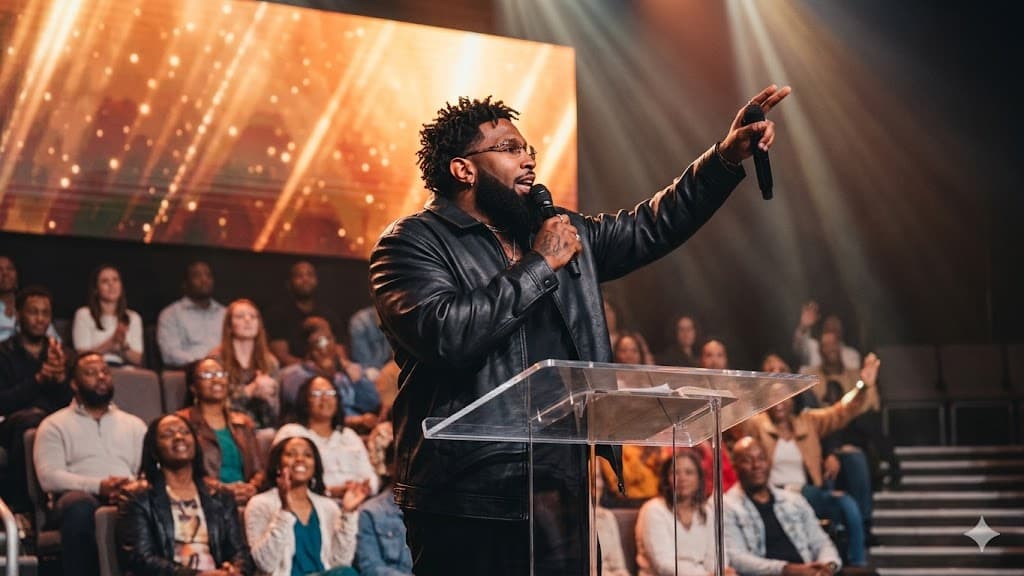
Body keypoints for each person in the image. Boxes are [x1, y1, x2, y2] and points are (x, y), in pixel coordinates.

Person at [368, 87, 791, 575]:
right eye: (509, 148)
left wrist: (722, 159)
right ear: (463, 169)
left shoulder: (559, 231)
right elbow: (444, 334)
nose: (528, 159)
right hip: (466, 495)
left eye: (529, 149)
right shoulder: (411, 243)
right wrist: (541, 263)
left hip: (559, 489)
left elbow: (652, 225)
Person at [33, 352, 147, 575]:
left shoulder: (135, 425)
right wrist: (99, 486)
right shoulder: (54, 424)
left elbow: (145, 471)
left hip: (127, 495)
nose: (101, 377)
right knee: (80, 506)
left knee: (149, 502)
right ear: (74, 384)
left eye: (105, 371)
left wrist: (129, 488)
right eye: (91, 373)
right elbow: (49, 477)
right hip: (78, 498)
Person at [116, 413, 253, 575]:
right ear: (154, 450)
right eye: (168, 434)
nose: (179, 437)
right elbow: (140, 558)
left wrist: (235, 570)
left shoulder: (220, 495)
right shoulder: (138, 497)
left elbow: (240, 551)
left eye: (185, 432)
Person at [244, 436, 366, 576]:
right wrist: (284, 511)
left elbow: (341, 562)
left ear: (315, 466)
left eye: (307, 455)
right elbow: (265, 564)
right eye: (291, 454)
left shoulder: (328, 507)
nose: (300, 459)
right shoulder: (260, 504)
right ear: (278, 465)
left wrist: (348, 514)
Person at [0, 285, 73, 514]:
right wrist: (40, 379)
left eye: (45, 313)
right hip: (11, 424)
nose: (40, 319)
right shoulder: (3, 353)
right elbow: (3, 402)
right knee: (31, 423)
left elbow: (73, 403)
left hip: (57, 422)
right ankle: (23, 509)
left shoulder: (63, 354)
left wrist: (61, 378)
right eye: (33, 312)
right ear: (19, 314)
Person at [723, 437, 842, 576]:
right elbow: (738, 559)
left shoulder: (794, 500)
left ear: (769, 462)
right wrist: (789, 570)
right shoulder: (726, 506)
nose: (756, 465)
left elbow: (821, 542)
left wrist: (828, 566)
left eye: (761, 459)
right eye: (747, 460)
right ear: (735, 466)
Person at [274, 375, 379, 500]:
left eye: (330, 392)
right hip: (312, 502)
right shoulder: (291, 433)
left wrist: (363, 488)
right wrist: (328, 491)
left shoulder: (348, 435)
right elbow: (280, 477)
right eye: (317, 393)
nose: (325, 398)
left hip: (357, 501)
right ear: (305, 400)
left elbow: (371, 477)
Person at [178, 357, 265, 505]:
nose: (216, 380)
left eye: (220, 374)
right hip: (206, 500)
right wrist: (222, 489)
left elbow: (259, 470)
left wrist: (252, 487)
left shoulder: (243, 423)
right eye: (207, 376)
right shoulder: (182, 422)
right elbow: (181, 472)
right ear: (193, 387)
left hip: (246, 500)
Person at [636, 449, 737, 576]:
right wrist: (705, 575)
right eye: (675, 472)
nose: (682, 478)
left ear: (699, 479)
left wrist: (719, 571)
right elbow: (663, 564)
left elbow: (716, 556)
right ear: (666, 479)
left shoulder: (707, 511)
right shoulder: (653, 509)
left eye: (689, 473)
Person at [279, 317, 381, 434]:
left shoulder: (346, 373)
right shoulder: (295, 376)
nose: (324, 347)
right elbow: (308, 413)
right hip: (317, 432)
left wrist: (358, 381)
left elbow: (373, 404)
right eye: (318, 341)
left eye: (328, 338)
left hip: (356, 432)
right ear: (308, 346)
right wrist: (356, 420)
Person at [209, 299, 281, 428]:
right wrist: (250, 390)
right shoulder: (216, 360)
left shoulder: (270, 362)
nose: (248, 320)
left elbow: (276, 412)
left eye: (253, 316)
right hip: (228, 425)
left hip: (262, 428)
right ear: (229, 326)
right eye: (240, 316)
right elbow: (213, 406)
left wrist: (269, 397)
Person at [354, 431, 414, 576]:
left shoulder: (432, 509)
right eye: (403, 461)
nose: (409, 468)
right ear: (388, 467)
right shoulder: (370, 512)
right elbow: (371, 567)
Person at [265, 261, 345, 367]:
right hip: (293, 370)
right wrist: (310, 368)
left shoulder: (329, 315)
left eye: (310, 275)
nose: (305, 279)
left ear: (317, 281)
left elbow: (340, 353)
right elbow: (281, 356)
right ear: (289, 283)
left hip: (328, 367)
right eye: (299, 276)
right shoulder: (278, 315)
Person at [157, 261, 226, 368]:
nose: (204, 280)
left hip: (226, 372)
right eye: (197, 276)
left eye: (208, 275)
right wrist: (206, 362)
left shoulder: (225, 313)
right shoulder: (171, 314)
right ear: (185, 283)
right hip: (188, 373)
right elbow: (170, 354)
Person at [71, 264, 144, 366]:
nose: (111, 285)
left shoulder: (133, 317)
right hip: (94, 368)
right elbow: (82, 356)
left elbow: (138, 359)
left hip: (124, 371)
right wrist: (111, 344)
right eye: (105, 281)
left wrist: (123, 346)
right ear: (96, 289)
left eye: (115, 280)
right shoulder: (84, 314)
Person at [0, 256, 60, 343]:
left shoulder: (31, 303)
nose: (5, 273)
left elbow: (55, 341)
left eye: (10, 268)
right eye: (0, 269)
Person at [793, 302, 860, 371]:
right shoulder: (813, 347)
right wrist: (804, 326)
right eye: (828, 327)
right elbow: (798, 348)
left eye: (835, 327)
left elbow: (852, 378)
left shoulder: (852, 355)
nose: (832, 330)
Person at [348, 304, 392, 382]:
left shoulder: (392, 319)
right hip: (367, 373)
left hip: (386, 370)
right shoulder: (360, 322)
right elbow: (365, 362)